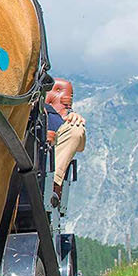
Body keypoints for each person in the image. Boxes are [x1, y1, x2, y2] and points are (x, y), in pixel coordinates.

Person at [46, 78, 86, 207]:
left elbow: (80, 146)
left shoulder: (56, 117)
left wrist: (73, 117)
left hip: (42, 169)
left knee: (76, 129)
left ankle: (51, 184)